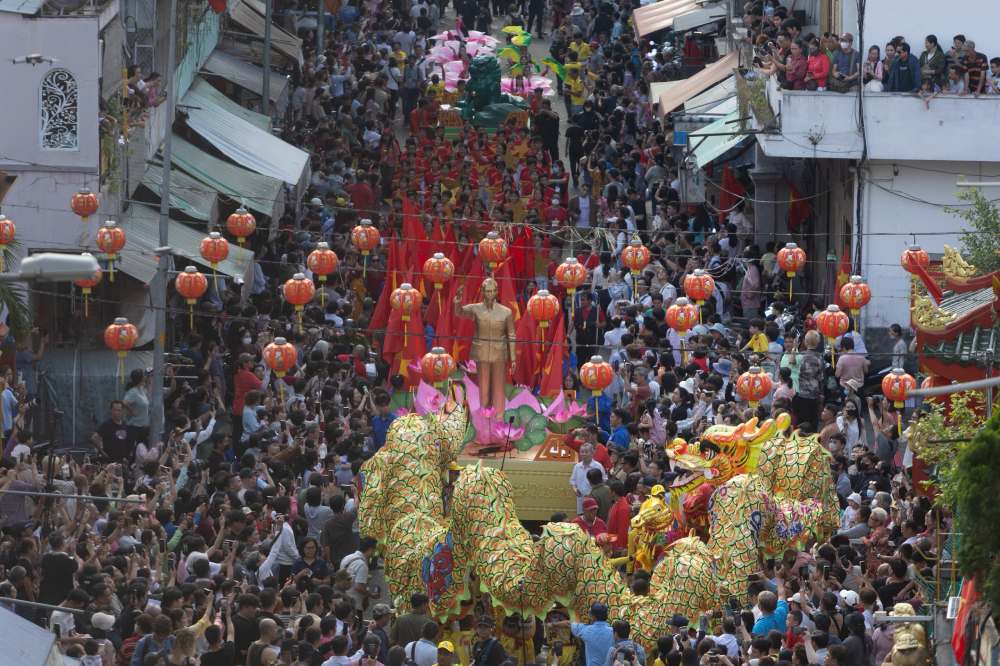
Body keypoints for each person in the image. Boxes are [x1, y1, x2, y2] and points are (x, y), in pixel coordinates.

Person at [455, 279, 516, 412]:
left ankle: (499, 417)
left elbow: (511, 335)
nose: (491, 294)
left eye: (493, 291)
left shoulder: (506, 312)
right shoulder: (475, 309)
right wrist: (458, 301)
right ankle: (484, 415)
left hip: (499, 354)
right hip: (481, 354)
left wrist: (513, 358)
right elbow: (459, 312)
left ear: (497, 292)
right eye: (488, 291)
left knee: (498, 387)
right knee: (483, 387)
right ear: (482, 292)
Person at [570, 443, 607, 514]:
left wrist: (593, 493)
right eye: (582, 452)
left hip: (595, 499)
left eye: (586, 452)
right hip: (581, 499)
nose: (584, 454)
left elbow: (604, 481)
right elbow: (573, 482)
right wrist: (575, 490)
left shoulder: (598, 466)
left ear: (592, 453)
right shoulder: (577, 467)